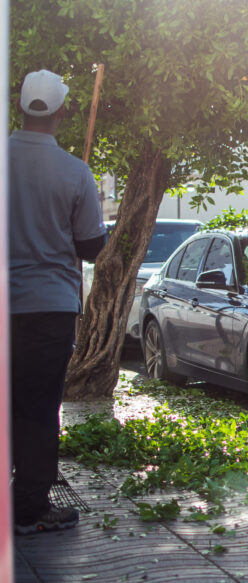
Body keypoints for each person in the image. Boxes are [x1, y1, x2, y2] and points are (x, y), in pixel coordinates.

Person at [8, 69, 107, 535]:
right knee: (39, 407)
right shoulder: (75, 171)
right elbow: (90, 247)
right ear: (63, 111)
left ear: (20, 107)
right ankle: (28, 508)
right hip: (48, 308)